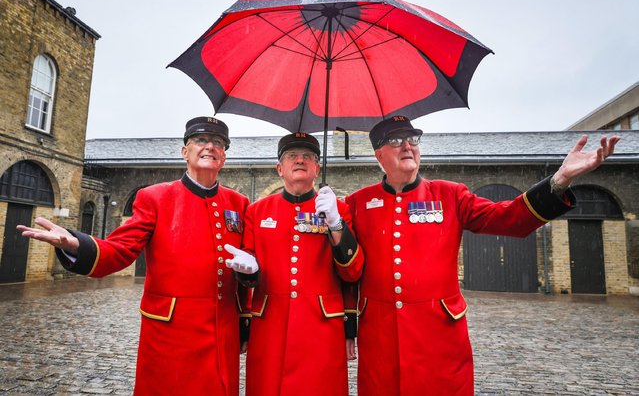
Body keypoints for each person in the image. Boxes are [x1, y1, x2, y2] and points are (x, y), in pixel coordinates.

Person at [344, 115, 620, 396]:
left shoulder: (450, 195)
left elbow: (508, 218)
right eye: (396, 140)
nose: (407, 146)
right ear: (379, 154)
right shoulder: (359, 202)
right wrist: (349, 321)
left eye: (412, 139)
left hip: (439, 337)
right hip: (380, 337)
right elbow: (347, 269)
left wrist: (560, 179)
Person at [17, 117, 259, 396]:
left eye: (218, 143)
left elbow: (245, 264)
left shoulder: (238, 204)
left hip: (222, 333)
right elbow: (121, 250)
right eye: (201, 140)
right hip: (171, 333)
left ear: (224, 156)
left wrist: (245, 315)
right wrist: (76, 244)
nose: (210, 147)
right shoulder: (155, 197)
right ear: (185, 152)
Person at [224, 132, 363, 396]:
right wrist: (249, 273)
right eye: (291, 156)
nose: (300, 160)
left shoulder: (338, 210)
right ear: (279, 168)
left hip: (321, 327)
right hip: (271, 326)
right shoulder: (257, 211)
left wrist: (335, 223)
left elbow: (352, 272)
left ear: (317, 168)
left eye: (308, 156)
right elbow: (248, 267)